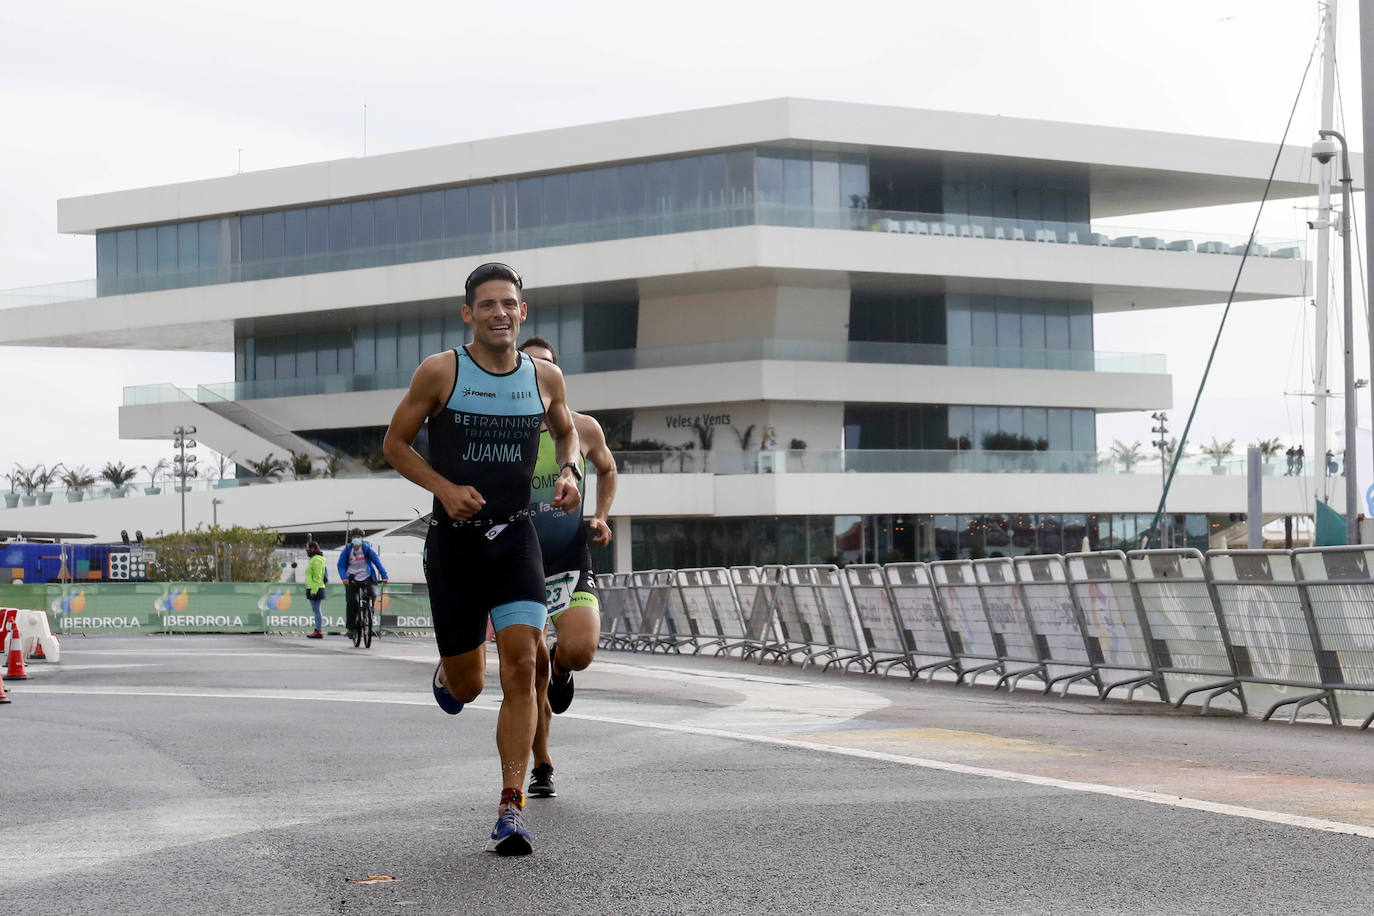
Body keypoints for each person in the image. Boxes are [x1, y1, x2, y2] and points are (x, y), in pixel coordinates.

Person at [382, 262, 580, 857]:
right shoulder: (442, 371)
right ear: (468, 313)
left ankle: (511, 807)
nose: (500, 313)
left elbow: (566, 432)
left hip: (517, 541)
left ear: (523, 312)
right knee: (471, 685)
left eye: (510, 304)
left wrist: (568, 469)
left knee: (523, 665)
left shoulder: (545, 378)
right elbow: (394, 444)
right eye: (487, 304)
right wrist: (443, 489)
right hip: (454, 546)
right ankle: (450, 673)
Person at [517, 337, 619, 800]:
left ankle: (564, 667)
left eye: (546, 370)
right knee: (530, 669)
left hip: (568, 551)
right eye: (530, 369)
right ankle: (542, 764)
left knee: (578, 651)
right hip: (522, 557)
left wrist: (600, 514)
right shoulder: (505, 433)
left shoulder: (581, 428)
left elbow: (608, 469)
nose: (539, 377)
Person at [336, 528, 388, 641]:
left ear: (362, 539)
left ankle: (369, 615)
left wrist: (384, 575)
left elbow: (377, 561)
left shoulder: (367, 549)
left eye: (358, 537)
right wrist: (344, 577)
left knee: (372, 595)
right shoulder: (347, 550)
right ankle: (351, 628)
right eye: (354, 537)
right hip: (352, 579)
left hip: (367, 578)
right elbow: (341, 565)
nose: (356, 539)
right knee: (351, 602)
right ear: (351, 539)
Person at [304, 540, 328, 639]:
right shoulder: (314, 559)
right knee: (316, 610)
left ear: (313, 548)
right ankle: (318, 629)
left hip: (315, 588)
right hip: (313, 587)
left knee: (317, 610)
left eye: (308, 548)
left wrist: (314, 590)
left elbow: (318, 577)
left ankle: (318, 630)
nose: (307, 550)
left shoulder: (317, 560)